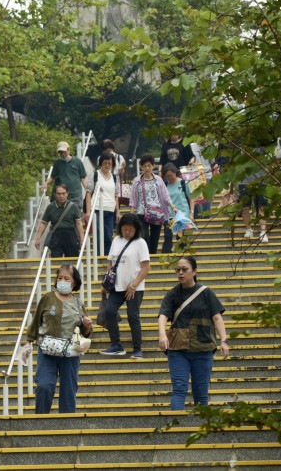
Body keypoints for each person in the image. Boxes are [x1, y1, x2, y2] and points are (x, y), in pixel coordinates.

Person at [157, 256, 229, 410]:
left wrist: (223, 340)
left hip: (203, 348)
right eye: (178, 270)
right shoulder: (172, 294)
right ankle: (177, 431)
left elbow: (217, 317)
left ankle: (200, 430)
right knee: (179, 388)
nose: (181, 273)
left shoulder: (206, 292)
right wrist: (162, 334)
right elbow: (163, 315)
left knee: (201, 392)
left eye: (185, 270)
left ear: (194, 271)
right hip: (177, 349)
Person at [24, 265, 92, 414]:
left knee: (69, 392)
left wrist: (87, 326)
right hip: (47, 350)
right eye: (60, 278)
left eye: (66, 278)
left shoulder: (78, 303)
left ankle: (67, 429)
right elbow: (36, 321)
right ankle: (40, 423)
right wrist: (28, 341)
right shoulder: (48, 298)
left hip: (70, 353)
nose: (62, 281)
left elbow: (84, 332)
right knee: (44, 386)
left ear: (74, 282)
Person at [98, 213, 150, 359]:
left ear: (136, 229)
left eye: (130, 230)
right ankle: (116, 345)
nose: (127, 232)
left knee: (133, 316)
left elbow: (146, 268)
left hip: (134, 287)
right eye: (124, 229)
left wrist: (133, 285)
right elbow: (110, 263)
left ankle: (137, 349)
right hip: (116, 286)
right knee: (109, 311)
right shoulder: (116, 240)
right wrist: (105, 283)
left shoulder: (140, 243)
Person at [130, 154, 176, 256]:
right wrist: (132, 213)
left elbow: (165, 195)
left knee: (155, 237)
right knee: (144, 236)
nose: (147, 168)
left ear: (153, 166)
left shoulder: (158, 180)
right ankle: (145, 257)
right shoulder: (137, 181)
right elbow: (133, 198)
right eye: (144, 166)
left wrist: (172, 206)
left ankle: (153, 256)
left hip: (157, 212)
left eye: (149, 166)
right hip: (142, 212)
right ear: (141, 167)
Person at [33, 184, 84, 258]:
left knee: (72, 261)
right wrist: (38, 238)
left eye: (63, 193)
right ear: (55, 194)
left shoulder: (73, 206)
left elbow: (79, 224)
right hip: (56, 236)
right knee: (56, 260)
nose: (61, 196)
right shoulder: (50, 207)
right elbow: (44, 223)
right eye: (59, 194)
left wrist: (82, 239)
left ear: (67, 193)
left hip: (70, 236)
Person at [85, 153, 120, 255]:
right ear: (101, 164)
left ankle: (107, 257)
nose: (107, 165)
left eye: (110, 163)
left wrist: (118, 211)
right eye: (105, 163)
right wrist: (88, 211)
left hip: (110, 210)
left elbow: (116, 195)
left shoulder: (114, 178)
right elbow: (88, 193)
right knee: (98, 235)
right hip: (96, 209)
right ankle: (99, 256)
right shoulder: (95, 175)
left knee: (108, 235)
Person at [44, 141, 88, 210]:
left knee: (76, 216)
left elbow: (83, 177)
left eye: (64, 151)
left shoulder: (77, 161)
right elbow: (52, 176)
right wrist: (46, 183)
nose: (63, 154)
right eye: (60, 152)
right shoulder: (58, 163)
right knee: (63, 216)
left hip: (75, 195)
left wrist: (88, 191)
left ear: (68, 150)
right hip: (62, 195)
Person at [161, 163, 194, 254]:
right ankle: (167, 255)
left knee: (181, 237)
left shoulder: (183, 183)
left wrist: (191, 212)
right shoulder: (165, 185)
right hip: (169, 215)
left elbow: (191, 197)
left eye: (170, 175)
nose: (169, 178)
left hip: (182, 214)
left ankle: (182, 255)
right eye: (167, 176)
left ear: (175, 172)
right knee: (168, 236)